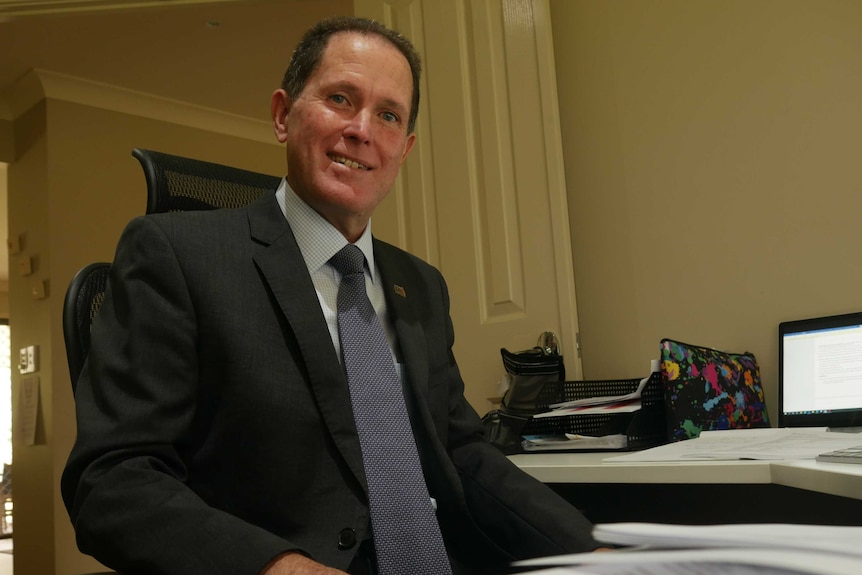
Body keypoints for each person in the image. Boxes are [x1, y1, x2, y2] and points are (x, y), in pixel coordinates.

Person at [62, 16, 600, 575]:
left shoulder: (420, 285)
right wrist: (282, 568)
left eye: (388, 115)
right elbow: (113, 482)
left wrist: (596, 549)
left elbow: (462, 454)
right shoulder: (177, 255)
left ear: (405, 148)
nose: (363, 129)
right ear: (282, 115)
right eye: (341, 99)